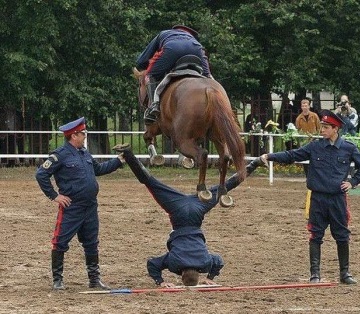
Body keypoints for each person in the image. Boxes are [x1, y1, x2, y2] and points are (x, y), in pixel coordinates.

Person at [112, 144, 259, 287]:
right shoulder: (174, 263)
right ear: (181, 275)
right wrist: (160, 282)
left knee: (225, 186)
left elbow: (219, 261)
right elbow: (152, 264)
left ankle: (255, 163)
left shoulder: (206, 263)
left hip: (198, 209)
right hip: (177, 210)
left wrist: (210, 277)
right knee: (151, 183)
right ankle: (128, 153)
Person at [259, 110, 360, 285]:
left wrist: (353, 182)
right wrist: (269, 156)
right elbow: (292, 155)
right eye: (322, 126)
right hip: (317, 198)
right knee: (315, 235)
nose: (322, 130)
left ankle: (345, 273)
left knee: (341, 235)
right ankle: (315, 274)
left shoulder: (348, 148)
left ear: (335, 129)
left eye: (326, 127)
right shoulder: (315, 146)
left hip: (337, 199)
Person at [35, 117, 125, 290]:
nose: (85, 136)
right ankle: (58, 281)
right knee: (60, 241)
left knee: (91, 242)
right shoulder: (59, 155)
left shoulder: (84, 153)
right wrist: (54, 196)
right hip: (72, 207)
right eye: (83, 133)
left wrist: (118, 161)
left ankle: (94, 280)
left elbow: (98, 170)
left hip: (90, 206)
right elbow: (41, 174)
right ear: (74, 135)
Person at [135, 25, 212, 123]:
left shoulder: (164, 33)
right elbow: (204, 60)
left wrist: (141, 65)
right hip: (196, 49)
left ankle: (153, 106)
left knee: (150, 75)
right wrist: (207, 73)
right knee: (208, 78)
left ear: (175, 30)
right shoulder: (193, 39)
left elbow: (144, 58)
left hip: (173, 48)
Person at [295, 99, 321, 175]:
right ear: (301, 107)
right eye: (303, 106)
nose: (304, 107)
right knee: (305, 159)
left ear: (309, 106)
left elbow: (319, 127)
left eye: (306, 105)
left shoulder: (314, 116)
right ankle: (307, 176)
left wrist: (316, 136)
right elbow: (298, 130)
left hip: (314, 140)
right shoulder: (299, 118)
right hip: (304, 142)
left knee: (315, 158)